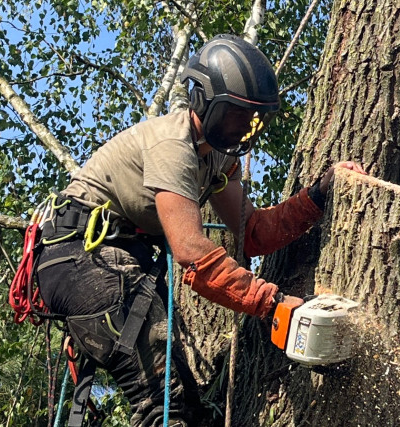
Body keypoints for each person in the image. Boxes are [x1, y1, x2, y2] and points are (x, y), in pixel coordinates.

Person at [35, 34, 366, 426]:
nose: (245, 126)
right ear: (204, 102)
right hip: (79, 258)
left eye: (253, 117)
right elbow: (190, 250)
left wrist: (315, 197)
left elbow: (254, 232)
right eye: (236, 114)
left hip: (120, 261)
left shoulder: (218, 159)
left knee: (186, 406)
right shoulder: (172, 146)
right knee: (163, 401)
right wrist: (273, 304)